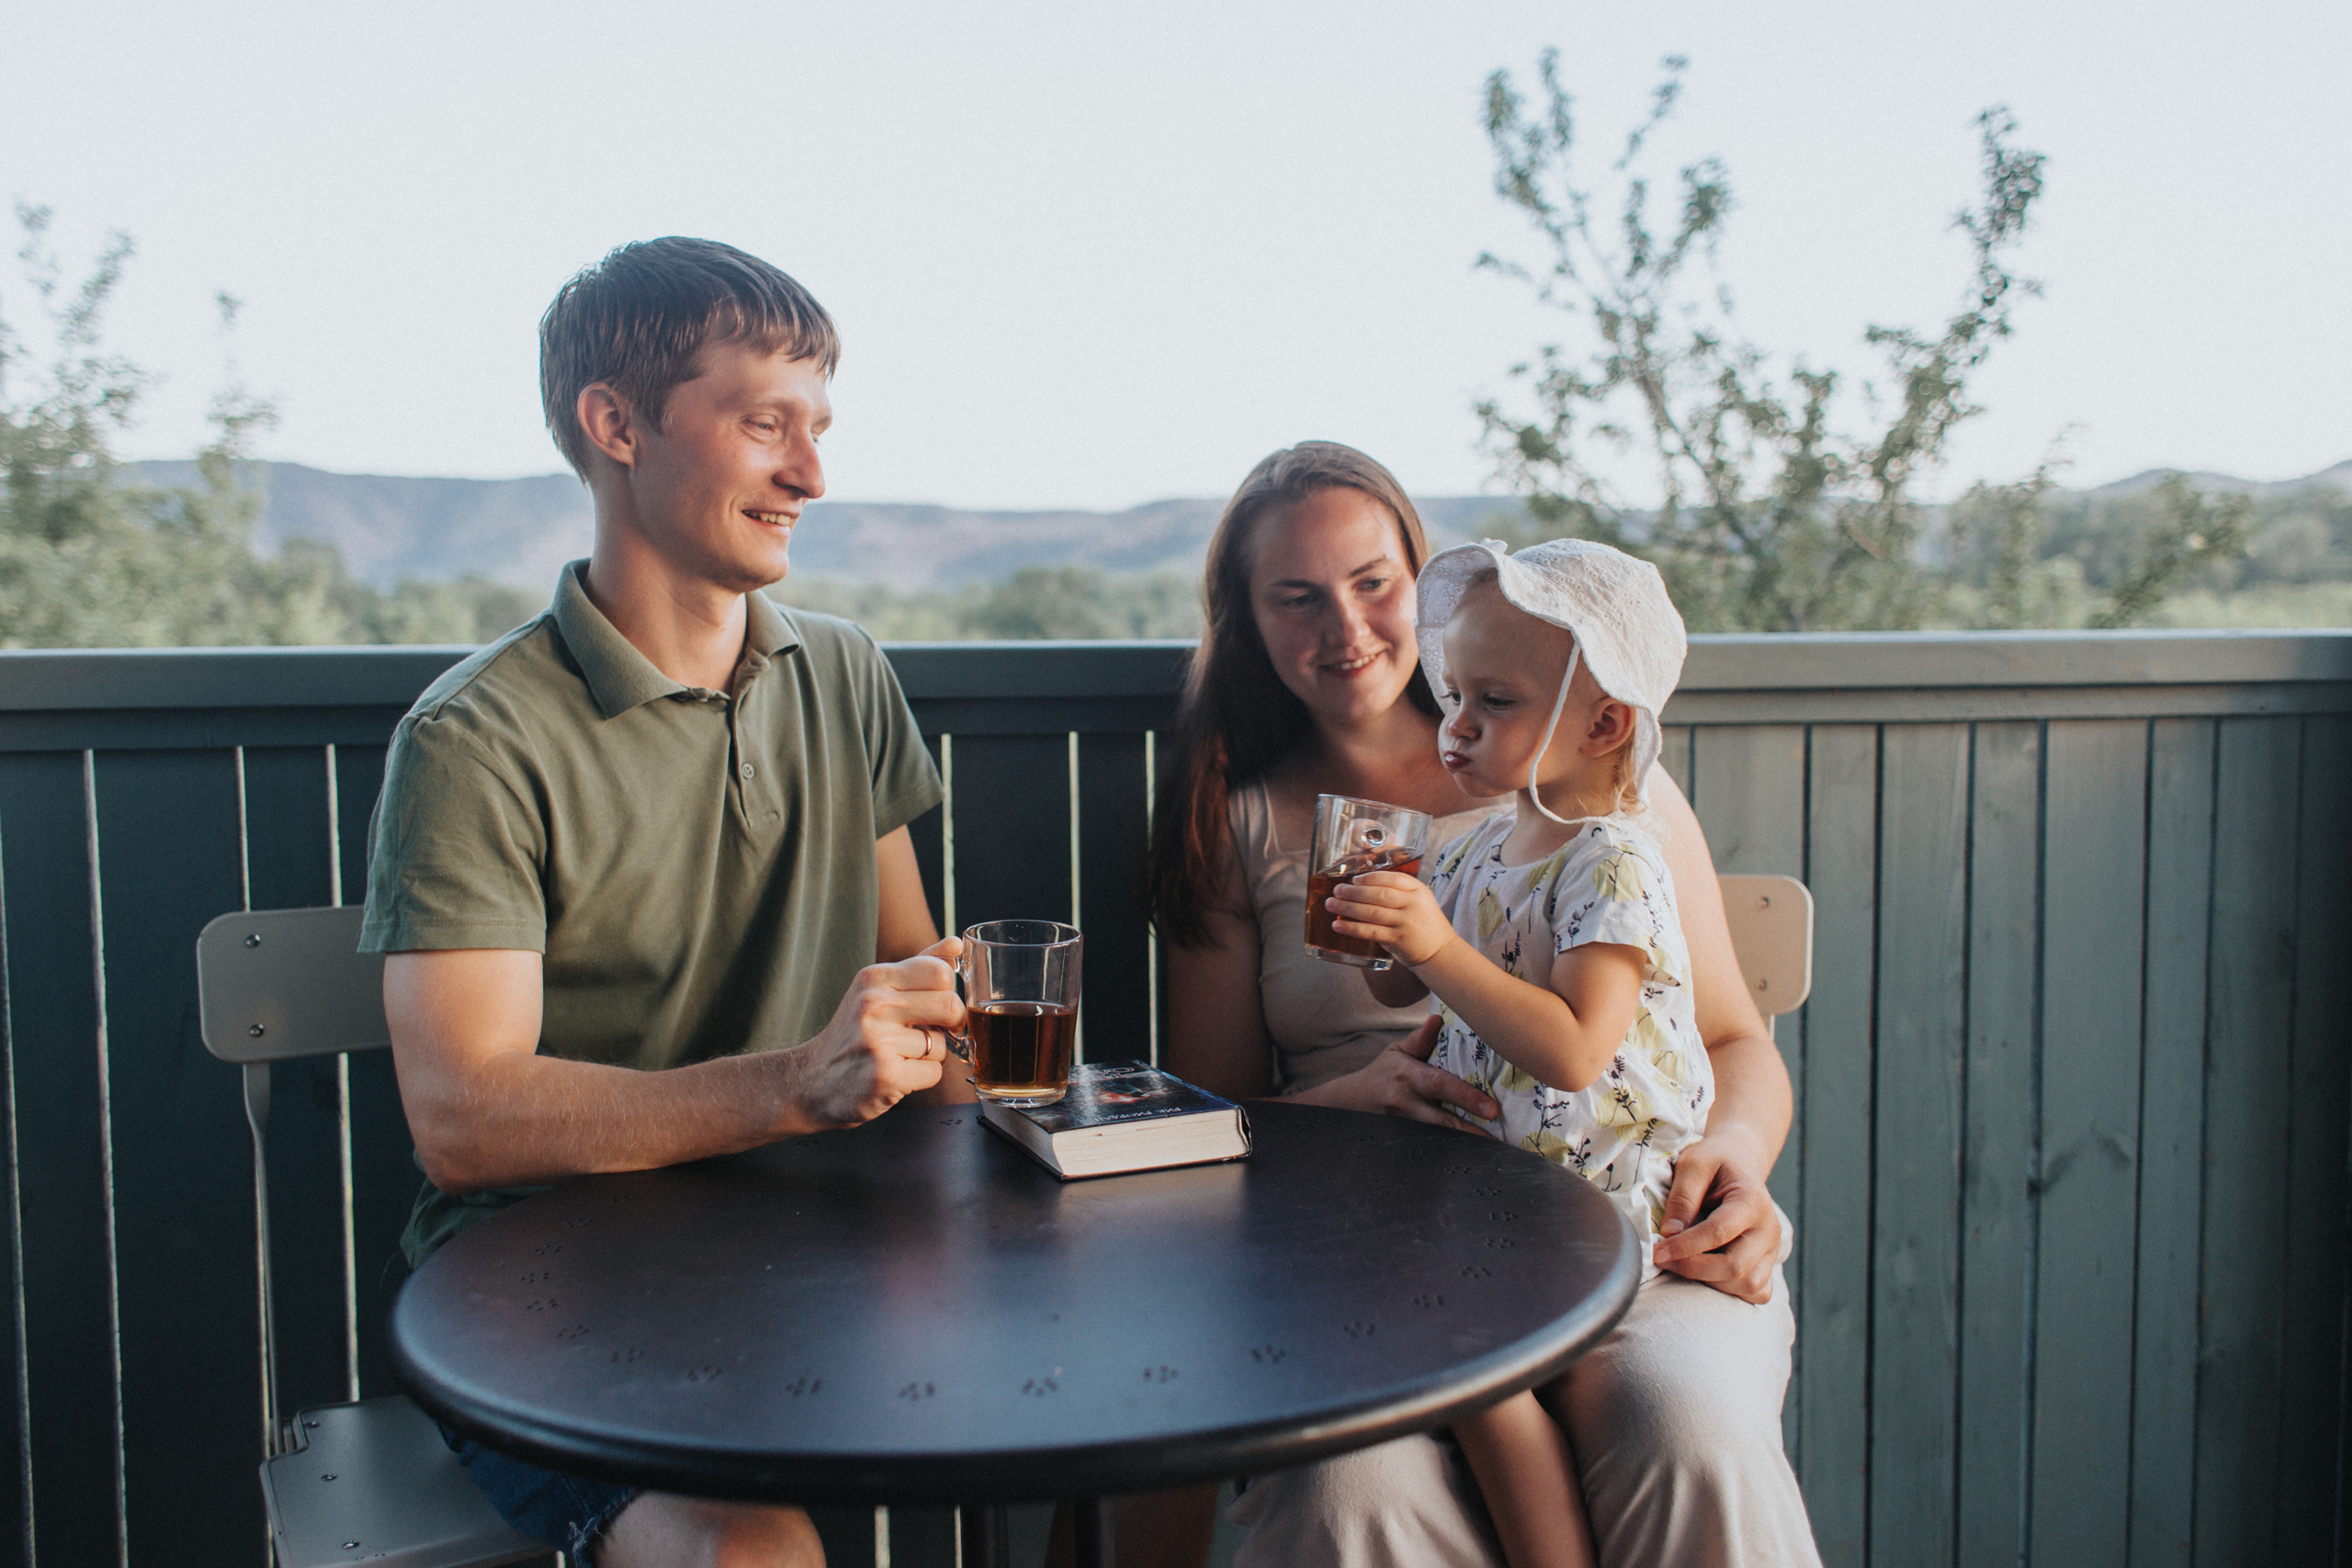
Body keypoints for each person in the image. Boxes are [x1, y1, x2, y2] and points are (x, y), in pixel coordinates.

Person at [361, 237, 973, 1568]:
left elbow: (916, 968)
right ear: (615, 422)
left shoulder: (849, 672)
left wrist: (972, 1052)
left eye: (817, 428)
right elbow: (462, 1117)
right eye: (766, 424)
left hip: (815, 1246)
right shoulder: (474, 738)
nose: (811, 473)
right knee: (753, 1554)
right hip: (541, 1287)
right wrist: (793, 1083)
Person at [1140, 442, 1818, 1567]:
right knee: (1343, 1486)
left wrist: (1738, 1164)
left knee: (1683, 1427)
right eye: (1295, 598)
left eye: (1372, 584)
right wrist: (1348, 1094)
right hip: (1379, 1233)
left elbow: (1730, 1042)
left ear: (1421, 582)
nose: (1345, 629)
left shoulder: (1605, 796)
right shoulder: (1239, 819)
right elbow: (1205, 1114)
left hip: (1622, 1209)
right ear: (1246, 620)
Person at [1327, 539, 1704, 1568]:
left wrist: (1434, 944)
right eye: (1453, 695)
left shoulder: (1615, 860)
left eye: (1493, 701)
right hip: (1496, 1180)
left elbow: (1579, 1051)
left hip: (1592, 1193)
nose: (1454, 727)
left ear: (1603, 722)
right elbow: (1409, 988)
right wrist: (1384, 940)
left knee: (1480, 1382)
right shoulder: (1481, 842)